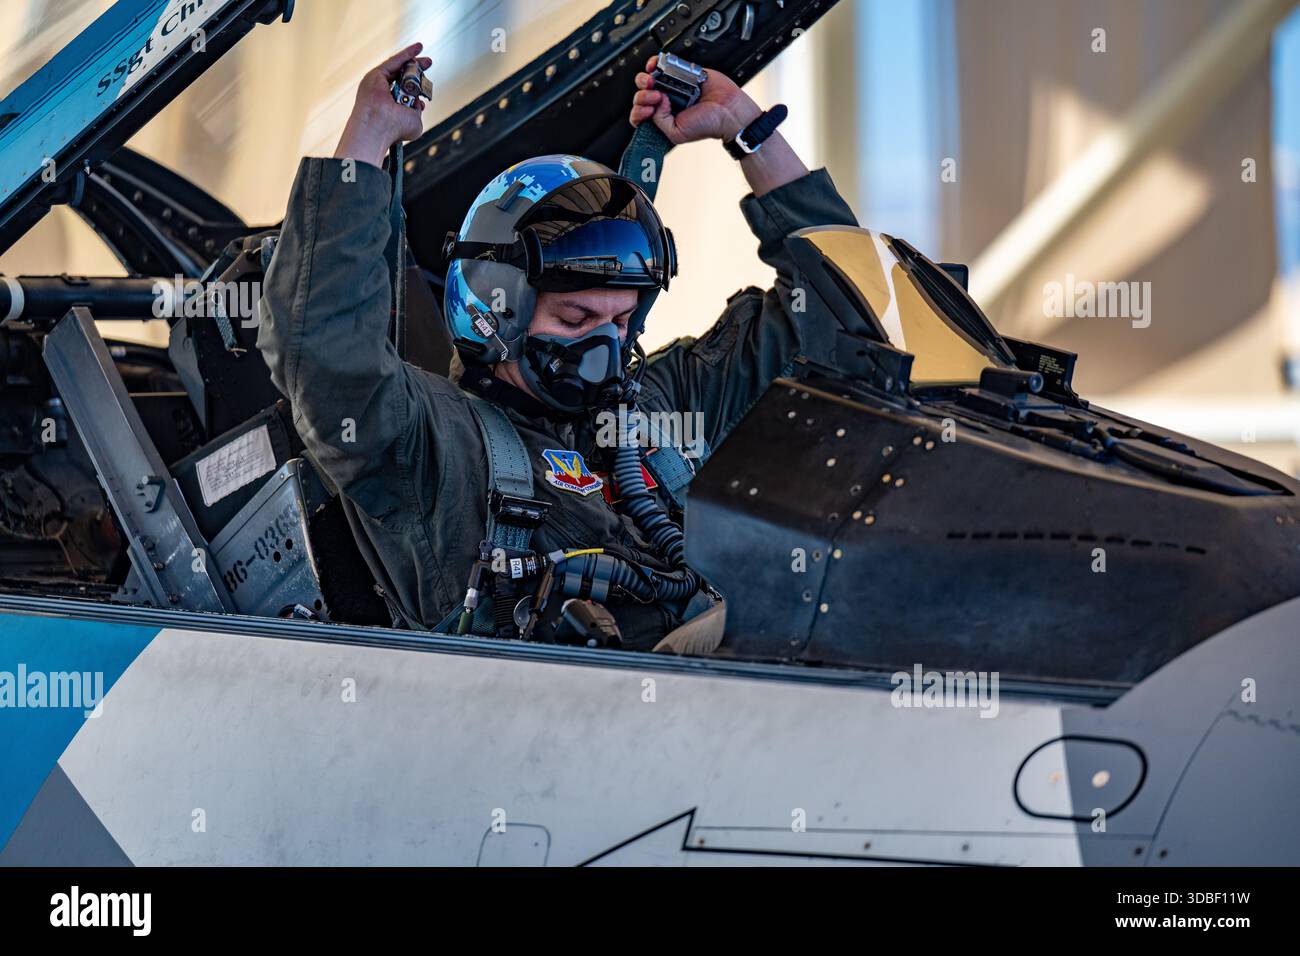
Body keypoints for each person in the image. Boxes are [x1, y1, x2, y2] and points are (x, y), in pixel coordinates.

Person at [258, 42, 857, 651]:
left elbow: (839, 317)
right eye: (575, 316)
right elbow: (323, 353)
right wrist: (369, 135)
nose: (604, 340)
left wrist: (748, 129)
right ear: (499, 311)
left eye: (621, 319)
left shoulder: (659, 405)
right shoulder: (432, 442)